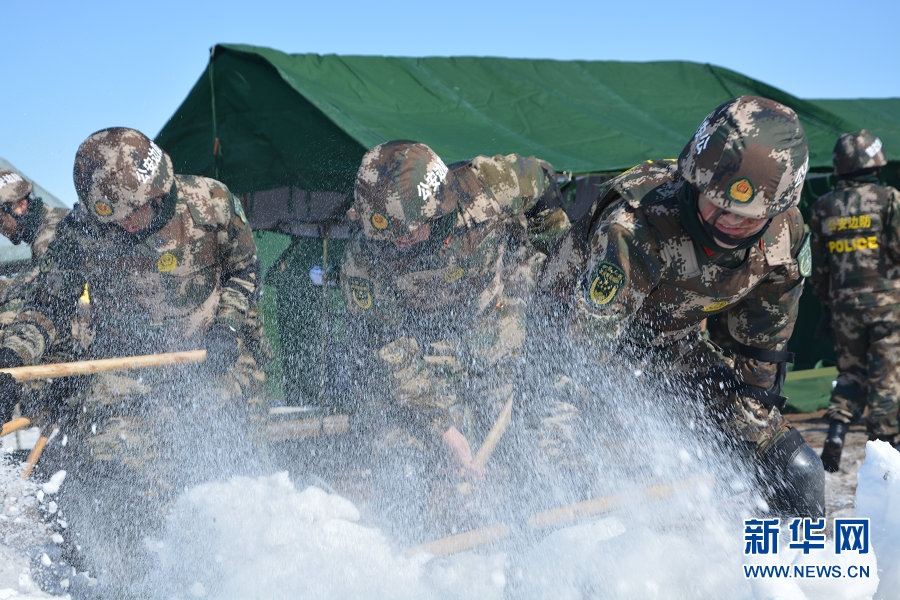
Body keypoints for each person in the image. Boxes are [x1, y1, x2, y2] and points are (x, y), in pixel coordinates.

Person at [0, 127, 268, 593]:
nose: (128, 225)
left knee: (229, 464)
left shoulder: (210, 202)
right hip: (131, 365)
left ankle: (244, 572)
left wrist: (227, 327)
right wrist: (11, 360)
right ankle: (141, 576)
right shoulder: (80, 231)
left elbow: (245, 268)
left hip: (213, 353)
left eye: (137, 211)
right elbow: (49, 306)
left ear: (158, 188)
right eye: (116, 218)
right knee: (113, 468)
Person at [539, 96, 824, 518]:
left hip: (667, 346)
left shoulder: (785, 234)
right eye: (719, 204)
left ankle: (793, 557)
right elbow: (575, 354)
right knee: (566, 482)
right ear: (696, 181)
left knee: (793, 470)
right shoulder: (637, 225)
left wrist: (750, 431)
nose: (731, 221)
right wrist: (552, 454)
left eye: (749, 216)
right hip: (563, 345)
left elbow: (762, 345)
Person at [339, 140, 567, 538]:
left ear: (438, 205)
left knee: (537, 456)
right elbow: (391, 352)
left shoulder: (488, 186)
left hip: (497, 336)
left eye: (409, 231)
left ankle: (538, 544)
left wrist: (555, 272)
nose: (399, 243)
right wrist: (444, 427)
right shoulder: (364, 260)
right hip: (423, 357)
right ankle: (406, 554)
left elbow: (541, 180)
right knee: (402, 469)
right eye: (389, 236)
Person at [809, 130, 900, 472]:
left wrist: (827, 304)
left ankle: (836, 432)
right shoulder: (889, 199)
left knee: (851, 373)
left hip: (843, 308)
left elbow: (817, 268)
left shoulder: (823, 206)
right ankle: (884, 452)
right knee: (886, 377)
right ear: (876, 162)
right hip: (887, 306)